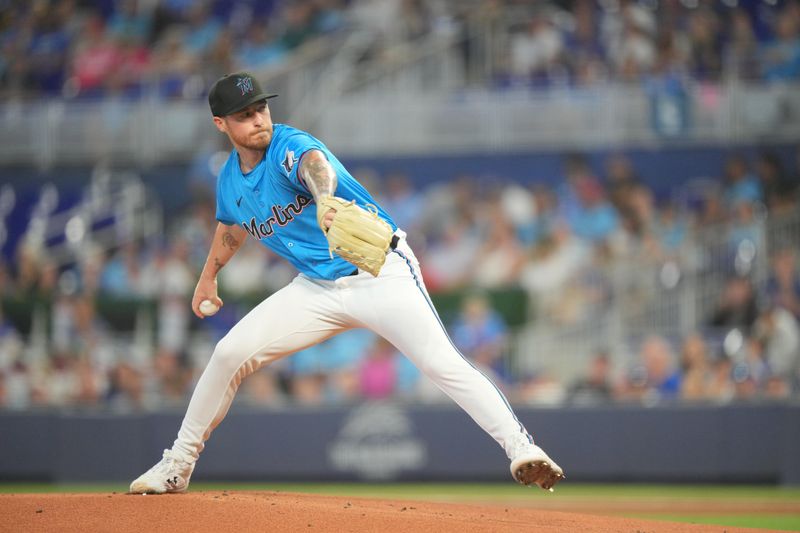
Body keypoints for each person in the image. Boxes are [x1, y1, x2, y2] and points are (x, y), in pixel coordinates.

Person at [129, 71, 563, 494]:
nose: (258, 119)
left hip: (378, 272)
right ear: (221, 124)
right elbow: (232, 228)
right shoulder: (229, 180)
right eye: (244, 114)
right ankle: (177, 466)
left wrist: (323, 199)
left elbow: (315, 166)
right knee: (228, 354)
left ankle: (523, 449)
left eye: (261, 108)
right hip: (316, 288)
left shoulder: (289, 143)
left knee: (440, 363)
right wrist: (207, 278)